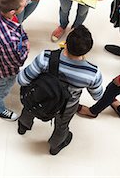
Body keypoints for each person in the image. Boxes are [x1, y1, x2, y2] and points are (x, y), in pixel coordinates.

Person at [17, 25, 103, 155]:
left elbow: (22, 80)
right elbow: (97, 96)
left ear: (66, 43)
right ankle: (55, 147)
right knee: (62, 126)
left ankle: (23, 126)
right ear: (86, 51)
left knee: (29, 109)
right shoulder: (92, 73)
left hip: (40, 96)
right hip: (66, 106)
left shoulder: (46, 57)